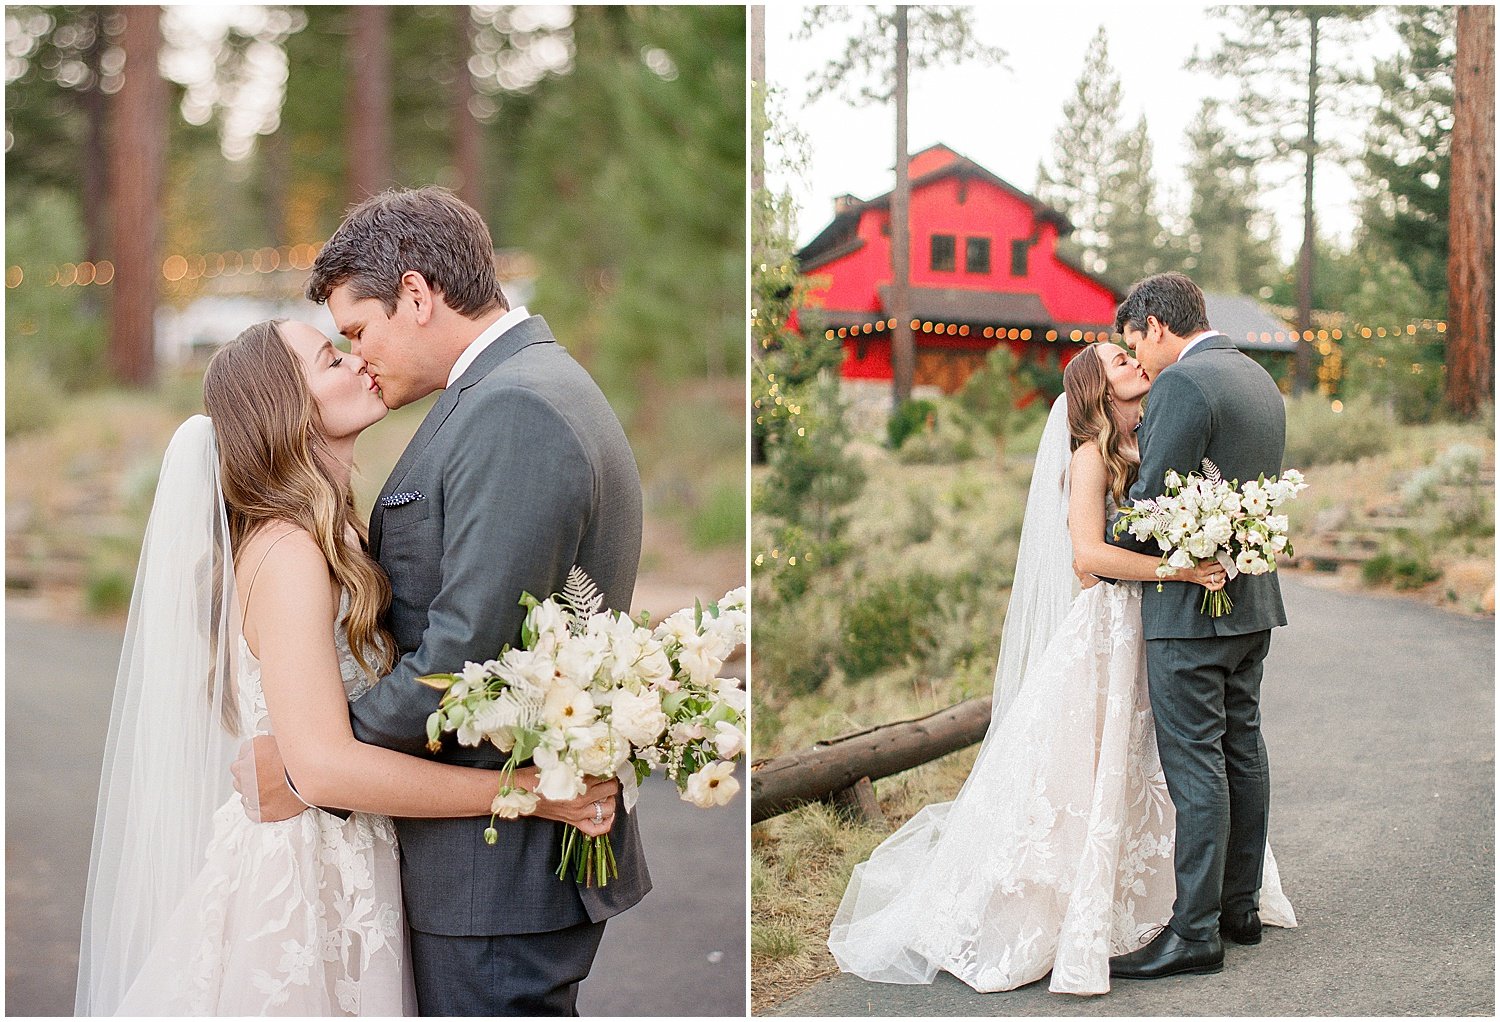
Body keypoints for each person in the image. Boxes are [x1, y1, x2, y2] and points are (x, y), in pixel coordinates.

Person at [75, 321, 618, 1016]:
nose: (358, 361)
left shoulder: (342, 533)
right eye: (332, 359)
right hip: (305, 879)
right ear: (287, 409)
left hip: (355, 854)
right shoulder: (291, 553)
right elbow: (322, 770)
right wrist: (531, 794)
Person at [236, 186, 651, 1015]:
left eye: (358, 330)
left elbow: (466, 651)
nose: (360, 357)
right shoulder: (510, 391)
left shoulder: (515, 408)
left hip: (490, 880)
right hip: (476, 866)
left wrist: (317, 757)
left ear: (417, 296)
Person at [826, 333, 1294, 996]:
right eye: (1118, 361)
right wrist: (1182, 569)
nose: (1133, 360)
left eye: (1132, 353)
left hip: (1160, 628)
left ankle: (1181, 907)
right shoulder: (1088, 457)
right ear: (1095, 390)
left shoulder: (1153, 442)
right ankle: (1093, 905)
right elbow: (1088, 558)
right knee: (1095, 770)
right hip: (1114, 628)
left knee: (1159, 764)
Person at [1105, 272, 1292, 981]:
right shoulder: (1256, 378)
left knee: (1196, 764)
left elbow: (1156, 506)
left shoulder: (1185, 384)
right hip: (1251, 601)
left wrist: (1104, 529)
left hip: (1191, 612)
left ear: (1155, 323)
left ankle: (1194, 932)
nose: (1138, 359)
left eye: (1133, 340)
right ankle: (1239, 906)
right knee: (1242, 745)